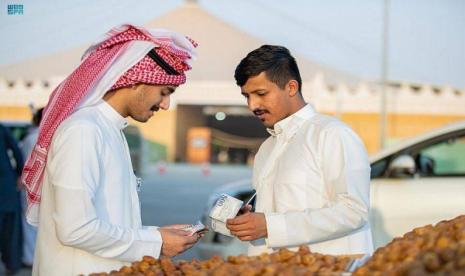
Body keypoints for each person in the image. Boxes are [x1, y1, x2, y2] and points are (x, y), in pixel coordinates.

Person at [20, 25, 203, 276]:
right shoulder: (84, 130)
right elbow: (76, 229)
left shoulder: (110, 130)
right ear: (135, 80)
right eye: (164, 92)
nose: (165, 104)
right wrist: (156, 242)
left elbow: (108, 220)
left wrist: (156, 235)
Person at [226, 45, 373, 256]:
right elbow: (277, 213)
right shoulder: (268, 147)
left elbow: (353, 211)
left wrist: (270, 225)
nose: (252, 105)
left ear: (291, 88)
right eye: (246, 96)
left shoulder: (332, 134)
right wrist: (251, 220)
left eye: (260, 93)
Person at [19, 108, 43, 267]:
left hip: (29, 186)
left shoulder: (31, 137)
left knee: (29, 223)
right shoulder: (43, 137)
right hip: (41, 186)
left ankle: (29, 259)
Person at [0, 123, 24, 274]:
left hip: (6, 188)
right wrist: (21, 173)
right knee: (11, 231)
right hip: (6, 188)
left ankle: (12, 265)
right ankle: (12, 265)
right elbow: (16, 150)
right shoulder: (1, 129)